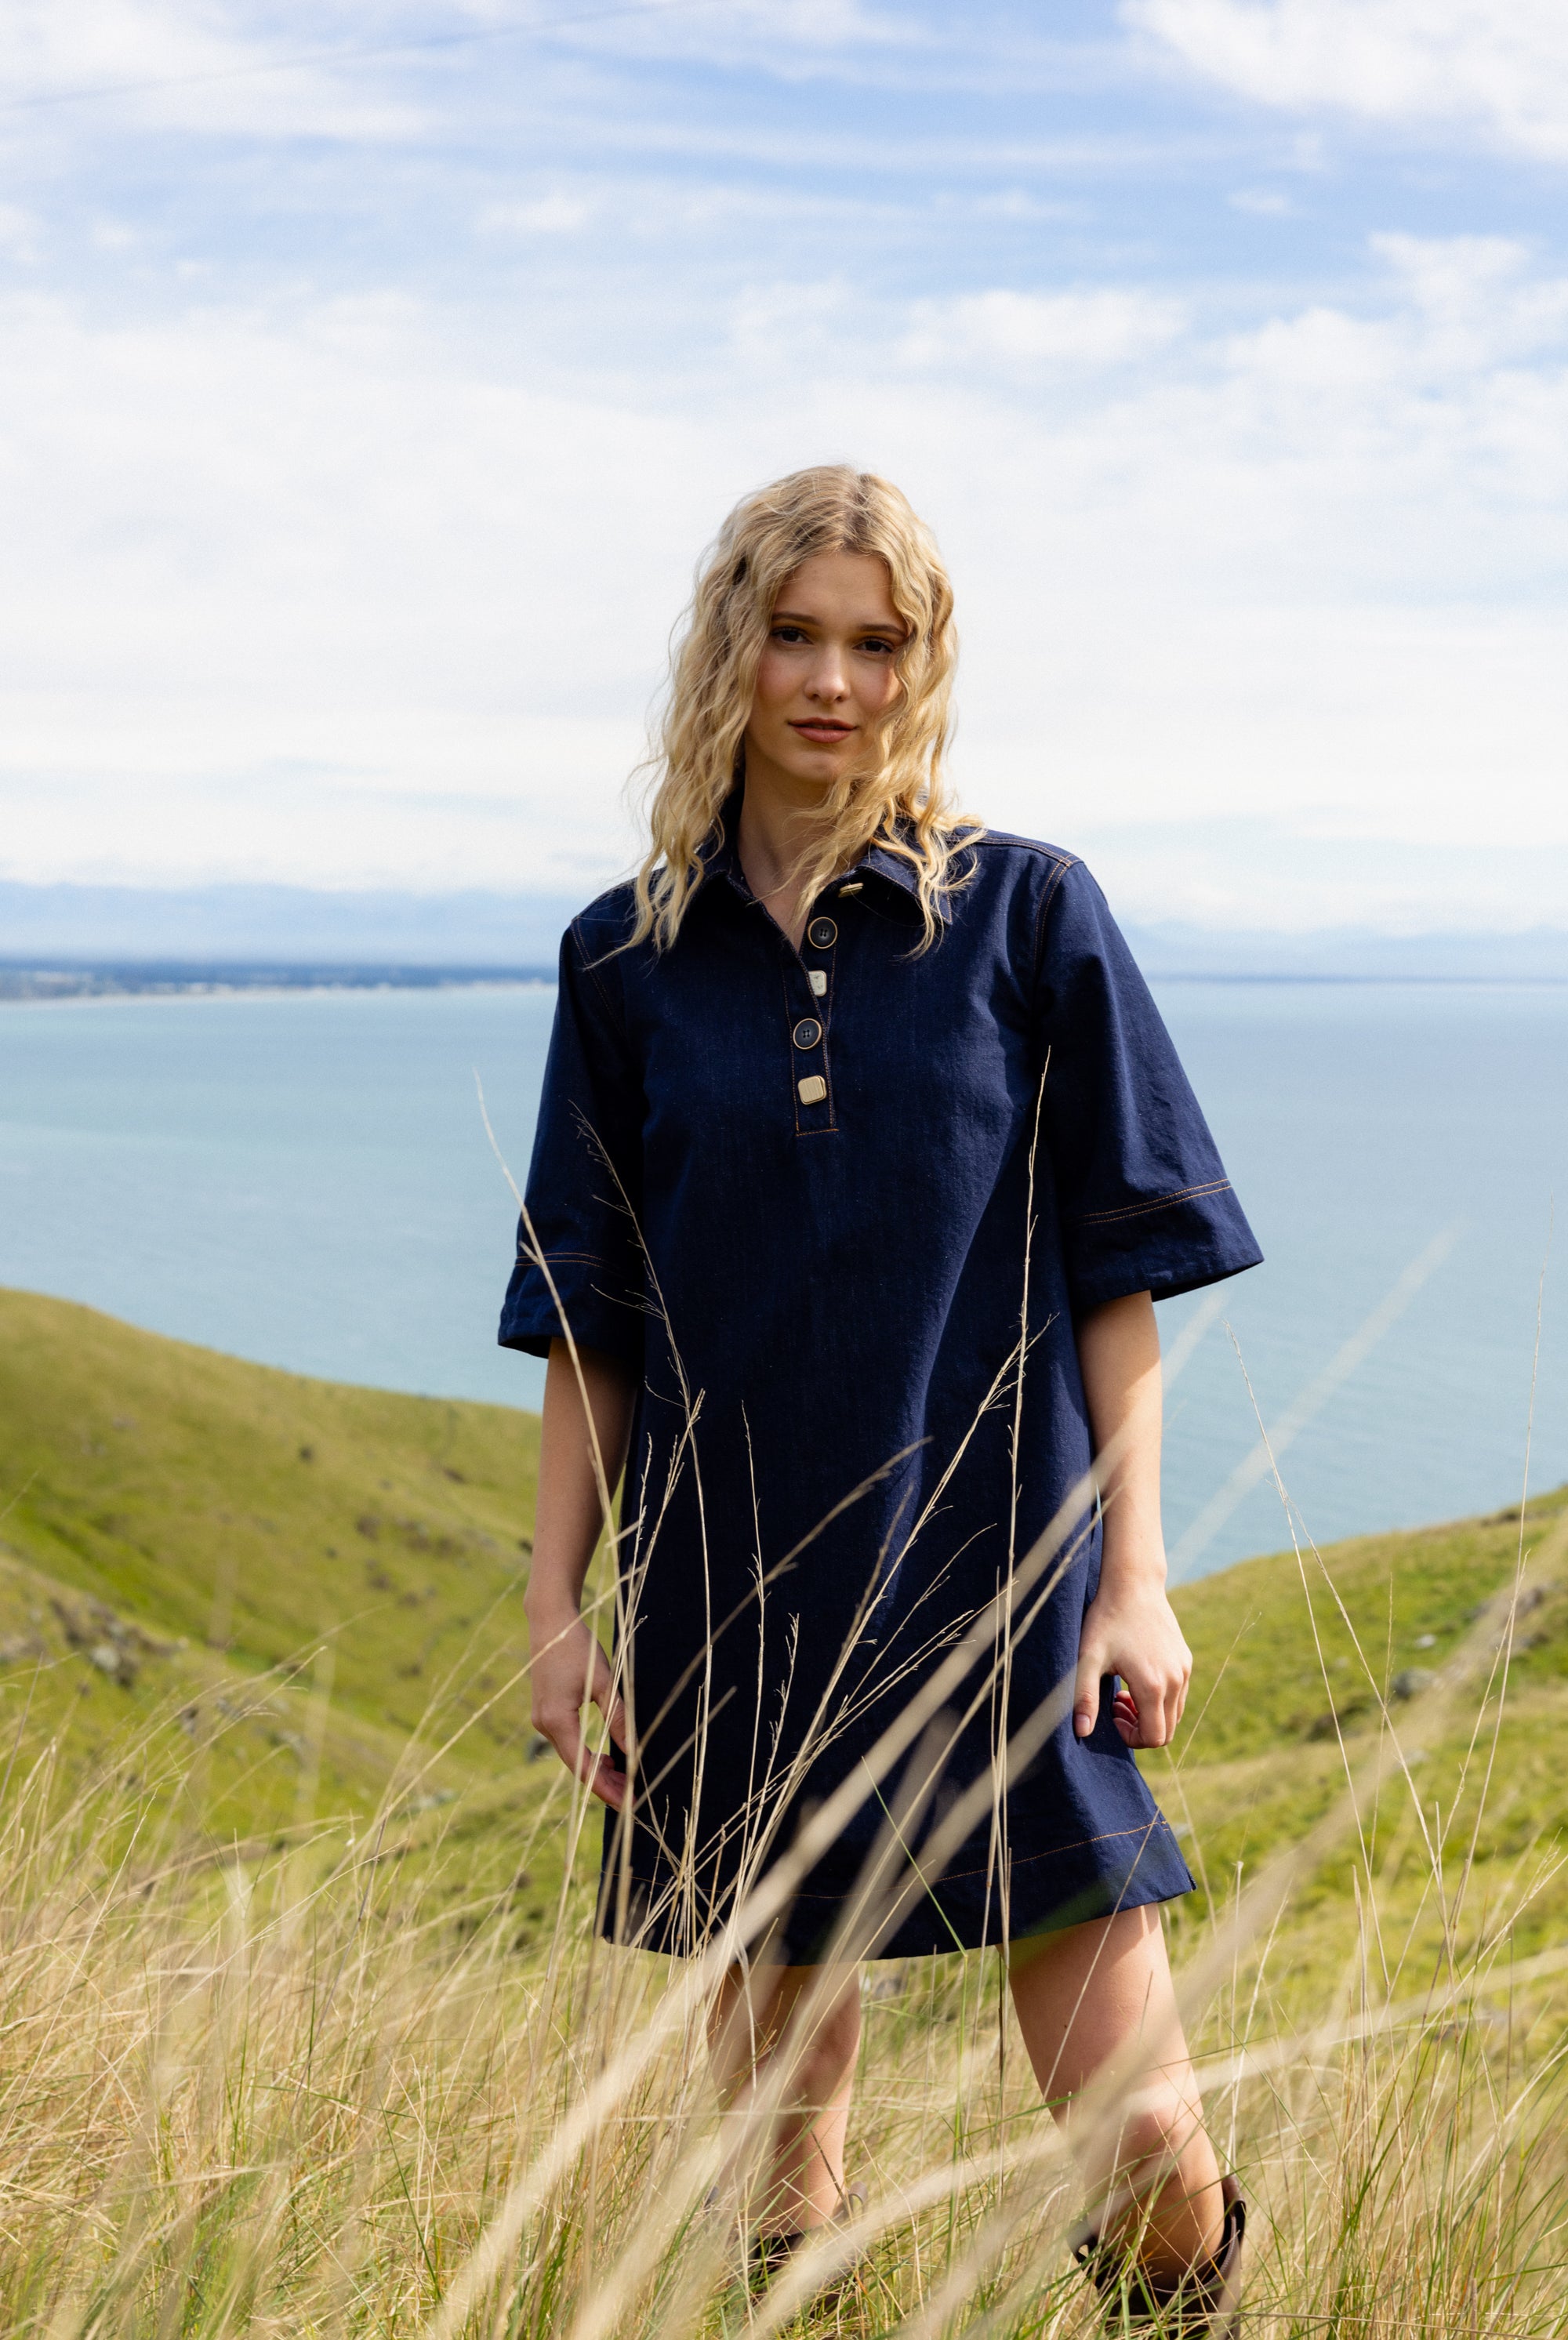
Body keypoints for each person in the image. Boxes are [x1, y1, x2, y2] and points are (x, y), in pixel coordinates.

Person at [499, 465, 1260, 2327]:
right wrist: (555, 1607)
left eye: (874, 638)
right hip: (736, 1598)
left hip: (1010, 1587)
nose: (829, 678)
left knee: (1145, 2124)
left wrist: (1133, 1572)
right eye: (792, 632)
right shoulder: (624, 960)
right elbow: (593, 1311)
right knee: (777, 2142)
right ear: (730, 651)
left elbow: (1119, 1270)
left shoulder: (1024, 915)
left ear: (918, 662)